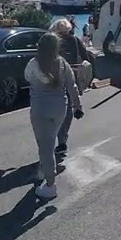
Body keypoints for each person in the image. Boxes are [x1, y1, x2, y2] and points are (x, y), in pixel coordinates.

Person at [25, 33, 83, 200]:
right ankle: (44, 170)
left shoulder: (33, 63)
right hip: (60, 108)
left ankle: (50, 186)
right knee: (49, 141)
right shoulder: (62, 63)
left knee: (46, 147)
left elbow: (27, 77)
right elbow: (72, 86)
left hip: (40, 109)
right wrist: (77, 106)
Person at [49, 18, 88, 155]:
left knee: (60, 110)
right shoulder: (74, 40)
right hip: (68, 78)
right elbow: (85, 57)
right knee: (68, 109)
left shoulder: (54, 41)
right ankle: (62, 140)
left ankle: (60, 140)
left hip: (58, 80)